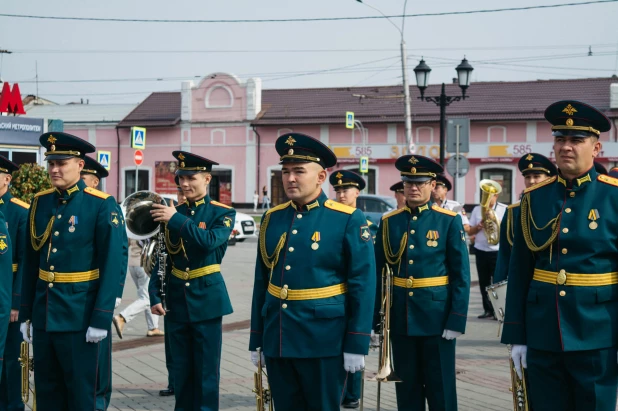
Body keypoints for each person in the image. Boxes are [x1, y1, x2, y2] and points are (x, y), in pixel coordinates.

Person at [502, 100, 617, 410]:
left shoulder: (614, 196)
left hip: (597, 335)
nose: (566, 147)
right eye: (560, 139)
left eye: (576, 140)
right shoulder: (534, 198)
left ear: (595, 148)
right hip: (543, 332)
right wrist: (517, 334)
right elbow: (521, 270)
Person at [249, 133, 376, 410]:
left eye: (298, 171)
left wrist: (357, 342)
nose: (290, 178)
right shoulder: (272, 218)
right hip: (279, 337)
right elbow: (262, 282)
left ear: (321, 177)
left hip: (324, 341)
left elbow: (363, 286)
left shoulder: (347, 219)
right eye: (285, 171)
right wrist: (256, 338)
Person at [19, 132, 123, 411]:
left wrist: (102, 318)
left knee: (83, 396)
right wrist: (26, 313)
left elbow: (112, 263)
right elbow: (31, 262)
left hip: (81, 317)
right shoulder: (40, 202)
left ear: (79, 165)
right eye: (50, 163)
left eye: (61, 163)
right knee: (48, 393)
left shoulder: (100, 204)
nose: (54, 169)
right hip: (45, 316)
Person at [374, 155, 470, 410]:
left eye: (420, 183)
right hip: (401, 317)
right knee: (407, 389)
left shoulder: (448, 220)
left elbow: (461, 274)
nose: (413, 188)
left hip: (437, 319)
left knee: (441, 388)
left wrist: (456, 318)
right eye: (408, 183)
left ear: (432, 185)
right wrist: (376, 320)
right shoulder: (389, 222)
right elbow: (379, 272)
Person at [149, 150, 235, 411]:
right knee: (181, 371)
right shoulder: (174, 212)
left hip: (207, 300)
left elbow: (208, 242)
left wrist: (175, 219)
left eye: (191, 178)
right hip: (176, 300)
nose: (184, 184)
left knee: (206, 373)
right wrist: (155, 293)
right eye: (181, 178)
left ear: (207, 179)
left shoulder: (222, 213)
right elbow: (162, 256)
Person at [80, 155, 130, 411]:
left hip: (100, 292)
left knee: (99, 363)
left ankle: (98, 404)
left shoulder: (104, 206)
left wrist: (115, 293)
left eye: (83, 177)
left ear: (94, 181)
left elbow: (119, 253)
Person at [328, 169, 376, 409]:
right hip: (335, 297)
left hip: (353, 296)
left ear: (357, 192)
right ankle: (342, 391)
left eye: (345, 189)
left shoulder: (364, 223)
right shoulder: (333, 220)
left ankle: (352, 393)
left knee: (354, 345)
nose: (341, 194)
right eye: (337, 190)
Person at [493, 153, 556, 283]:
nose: (531, 181)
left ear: (550, 178)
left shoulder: (558, 208)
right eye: (528, 177)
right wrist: (498, 286)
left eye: (537, 176)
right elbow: (504, 255)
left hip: (549, 283)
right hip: (520, 281)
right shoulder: (513, 211)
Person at [0, 156, 26, 411]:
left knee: (10, 358)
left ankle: (12, 405)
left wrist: (16, 303)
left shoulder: (19, 210)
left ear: (7, 179)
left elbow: (25, 260)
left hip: (8, 297)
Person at [467, 181, 507, 319]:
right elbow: (469, 231)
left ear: (496, 196)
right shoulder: (477, 210)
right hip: (480, 250)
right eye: (485, 194)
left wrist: (496, 222)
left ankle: (499, 310)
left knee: (498, 282)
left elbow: (508, 231)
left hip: (497, 250)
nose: (488, 198)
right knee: (484, 281)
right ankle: (488, 309)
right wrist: (478, 227)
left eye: (491, 195)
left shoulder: (503, 209)